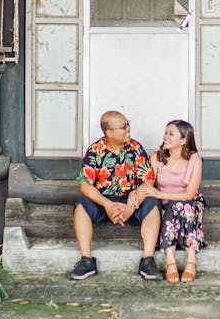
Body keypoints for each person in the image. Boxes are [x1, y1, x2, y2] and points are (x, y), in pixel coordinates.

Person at [69, 110, 162, 281]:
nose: (129, 129)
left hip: (132, 200)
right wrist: (108, 204)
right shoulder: (95, 151)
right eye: (124, 126)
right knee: (81, 204)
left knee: (152, 203)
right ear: (109, 133)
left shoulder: (135, 148)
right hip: (104, 202)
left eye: (128, 124)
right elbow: (85, 185)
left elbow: (148, 182)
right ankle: (86, 260)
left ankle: (148, 260)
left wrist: (130, 206)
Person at [139, 119, 206, 284]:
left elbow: (190, 194)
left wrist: (159, 194)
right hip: (165, 203)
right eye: (165, 133)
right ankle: (171, 262)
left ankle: (191, 261)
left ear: (183, 140)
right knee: (172, 207)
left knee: (184, 205)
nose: (165, 137)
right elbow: (149, 182)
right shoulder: (157, 157)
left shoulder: (195, 159)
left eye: (171, 134)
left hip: (189, 202)